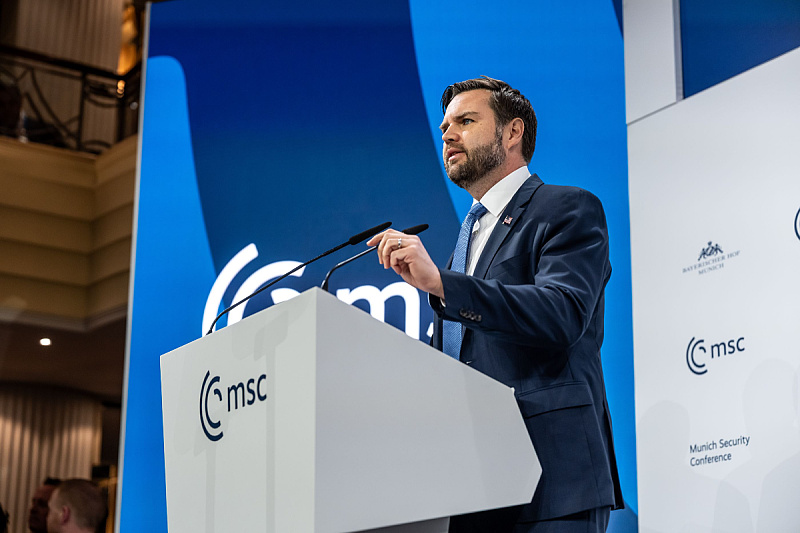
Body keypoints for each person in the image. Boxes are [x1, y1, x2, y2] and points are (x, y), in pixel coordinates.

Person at [367, 76, 622, 532]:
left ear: (512, 132)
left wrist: (444, 285)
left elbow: (561, 313)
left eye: (466, 121)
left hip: (551, 479)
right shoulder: (462, 247)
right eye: (445, 125)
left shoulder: (568, 209)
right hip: (471, 487)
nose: (447, 134)